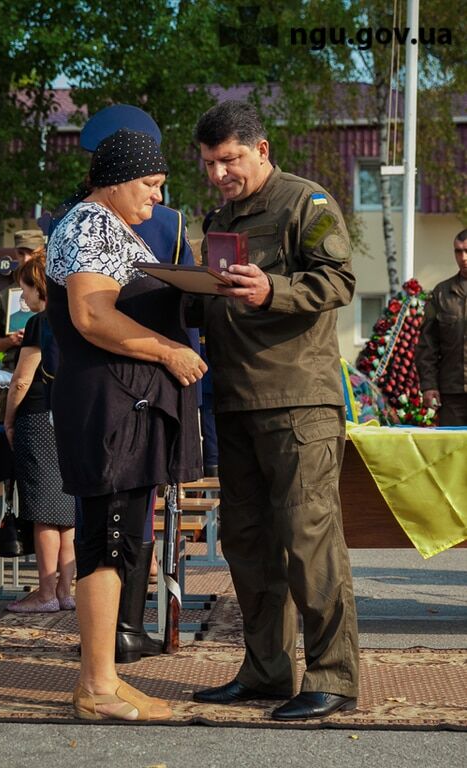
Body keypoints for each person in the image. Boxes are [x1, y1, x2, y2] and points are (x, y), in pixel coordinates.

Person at [189, 100, 359, 721]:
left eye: (228, 160)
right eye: (209, 163)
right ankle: (266, 670)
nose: (218, 174)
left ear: (260, 150)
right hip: (234, 401)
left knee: (307, 540)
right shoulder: (217, 217)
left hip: (298, 402)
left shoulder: (305, 203)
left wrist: (273, 289)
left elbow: (339, 281)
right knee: (247, 542)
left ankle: (334, 677)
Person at [46, 128, 206, 722]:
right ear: (113, 181)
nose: (156, 201)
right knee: (105, 541)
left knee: (117, 539)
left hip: (121, 403)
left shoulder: (104, 223)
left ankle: (105, 677)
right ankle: (94, 687)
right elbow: (90, 314)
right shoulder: (90, 224)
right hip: (110, 406)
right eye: (149, 186)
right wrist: (167, 350)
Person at [3, 253, 76, 613]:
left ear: (38, 286)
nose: (24, 298)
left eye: (25, 290)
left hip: (38, 415)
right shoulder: (74, 315)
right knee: (67, 511)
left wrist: (8, 419)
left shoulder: (39, 322)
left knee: (44, 512)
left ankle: (46, 593)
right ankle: (65, 590)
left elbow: (21, 381)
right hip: (69, 415)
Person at [415, 229, 467, 426]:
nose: (463, 257)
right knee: (452, 453)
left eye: (466, 250)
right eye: (458, 251)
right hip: (452, 395)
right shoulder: (441, 293)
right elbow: (426, 345)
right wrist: (428, 386)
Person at [0, 230, 45, 370]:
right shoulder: (5, 295)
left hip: (49, 366)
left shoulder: (58, 288)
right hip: (13, 367)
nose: (26, 259)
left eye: (32, 253)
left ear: (43, 251)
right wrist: (10, 340)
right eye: (21, 253)